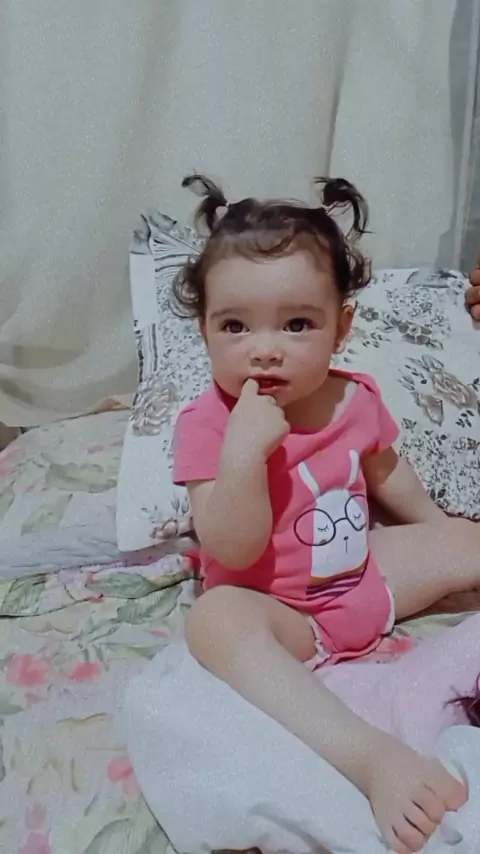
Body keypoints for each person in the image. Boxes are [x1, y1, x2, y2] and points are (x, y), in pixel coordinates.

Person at [172, 174, 479, 854]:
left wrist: (437, 531)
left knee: (465, 536)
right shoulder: (205, 424)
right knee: (212, 620)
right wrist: (243, 456)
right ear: (204, 331)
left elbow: (389, 475)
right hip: (280, 612)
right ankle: (371, 758)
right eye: (235, 326)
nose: (265, 348)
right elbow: (233, 547)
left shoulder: (354, 398)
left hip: (361, 578)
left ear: (341, 327)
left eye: (297, 324)